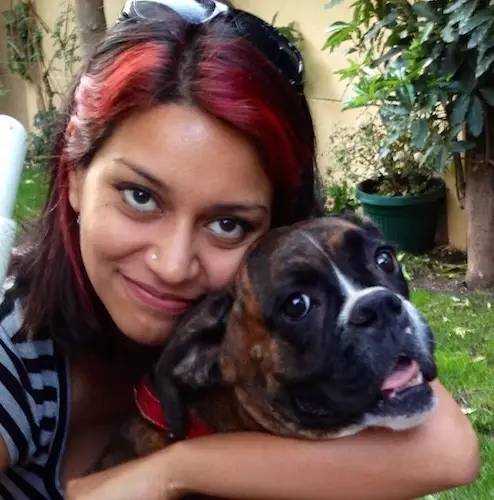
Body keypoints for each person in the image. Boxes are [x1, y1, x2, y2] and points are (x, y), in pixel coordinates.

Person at [0, 1, 479, 498]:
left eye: (227, 224)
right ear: (75, 174)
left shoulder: (259, 296)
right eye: (140, 197)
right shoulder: (12, 351)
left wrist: (172, 470)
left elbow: (446, 450)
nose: (173, 264)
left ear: (275, 224)